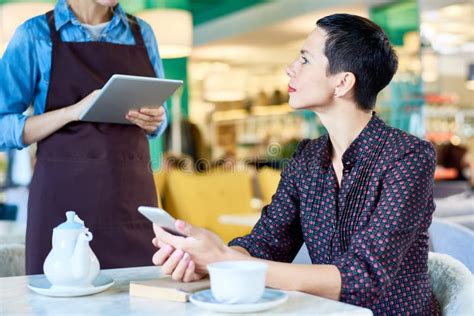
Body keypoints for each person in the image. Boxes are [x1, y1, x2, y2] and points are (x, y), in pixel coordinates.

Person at [151, 13, 440, 314]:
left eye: (304, 60)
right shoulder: (307, 158)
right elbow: (266, 243)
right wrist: (206, 259)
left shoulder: (408, 157)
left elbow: (361, 277)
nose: (290, 69)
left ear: (342, 83)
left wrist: (223, 260)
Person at [0, 0, 167, 274]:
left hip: (133, 205)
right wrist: (72, 112)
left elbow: (160, 116)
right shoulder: (35, 34)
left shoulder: (142, 33)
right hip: (63, 206)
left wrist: (156, 119)